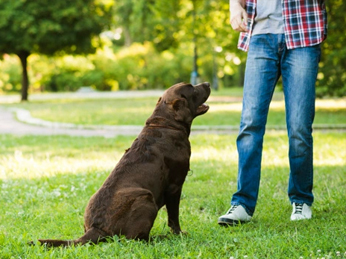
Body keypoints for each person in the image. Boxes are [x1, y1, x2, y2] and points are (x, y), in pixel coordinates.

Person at [218, 0, 327, 225]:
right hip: (260, 34)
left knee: (299, 126)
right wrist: (234, 5)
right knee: (250, 124)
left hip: (303, 33)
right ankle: (243, 203)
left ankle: (301, 199)